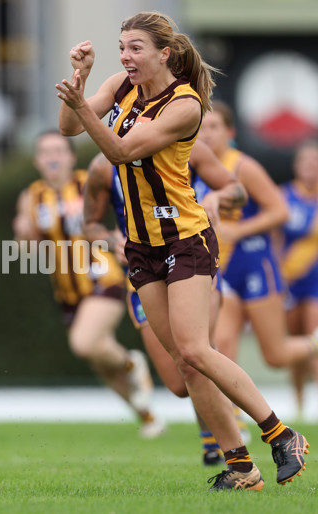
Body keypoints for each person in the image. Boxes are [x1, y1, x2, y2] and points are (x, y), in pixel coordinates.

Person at [55, 11, 309, 491]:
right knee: (183, 365)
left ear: (163, 53)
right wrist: (81, 80)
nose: (125, 57)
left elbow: (121, 151)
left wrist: (85, 108)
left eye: (135, 48)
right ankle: (241, 467)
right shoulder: (119, 85)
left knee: (196, 348)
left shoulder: (185, 105)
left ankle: (281, 434)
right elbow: (69, 127)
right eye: (122, 47)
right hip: (141, 245)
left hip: (185, 238)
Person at [83, 140, 250, 466]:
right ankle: (219, 434)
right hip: (145, 275)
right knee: (178, 383)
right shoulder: (103, 167)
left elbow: (237, 190)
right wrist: (112, 239)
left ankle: (235, 442)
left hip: (193, 264)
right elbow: (89, 224)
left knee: (199, 354)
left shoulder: (190, 149)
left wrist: (218, 196)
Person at [13, 129, 165, 438]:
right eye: (46, 152)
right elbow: (27, 252)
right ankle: (148, 417)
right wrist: (22, 235)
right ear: (37, 161)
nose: (52, 157)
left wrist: (120, 242)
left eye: (58, 151)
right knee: (101, 364)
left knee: (84, 343)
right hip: (68, 290)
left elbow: (119, 215)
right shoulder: (31, 197)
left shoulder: (88, 181)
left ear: (70, 157)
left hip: (102, 276)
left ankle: (132, 362)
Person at [198, 103, 318, 372]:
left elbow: (280, 211)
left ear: (230, 132)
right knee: (222, 346)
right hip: (221, 267)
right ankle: (233, 414)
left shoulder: (243, 166)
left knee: (275, 357)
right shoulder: (192, 166)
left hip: (255, 263)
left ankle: (314, 343)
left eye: (214, 127)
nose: (206, 134)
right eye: (201, 128)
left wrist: (238, 231)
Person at [274, 139, 318, 419]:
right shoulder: (282, 196)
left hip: (316, 280)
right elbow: (274, 238)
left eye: (315, 163)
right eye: (305, 162)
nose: (310, 168)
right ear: (296, 166)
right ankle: (299, 401)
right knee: (295, 344)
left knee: (314, 340)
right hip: (289, 279)